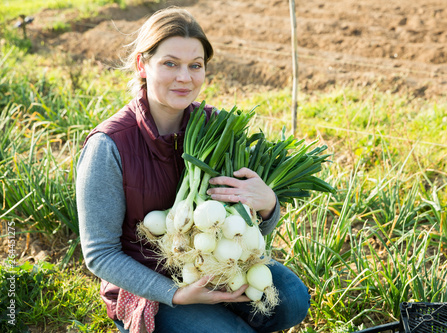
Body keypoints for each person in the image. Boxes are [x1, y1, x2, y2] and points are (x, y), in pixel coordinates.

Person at [76, 7, 310, 333]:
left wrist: (268, 205)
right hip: (149, 279)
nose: (184, 77)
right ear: (143, 65)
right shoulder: (108, 146)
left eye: (195, 66)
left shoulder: (218, 127)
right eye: (170, 63)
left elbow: (242, 226)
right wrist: (178, 294)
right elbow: (100, 254)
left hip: (216, 261)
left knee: (295, 300)